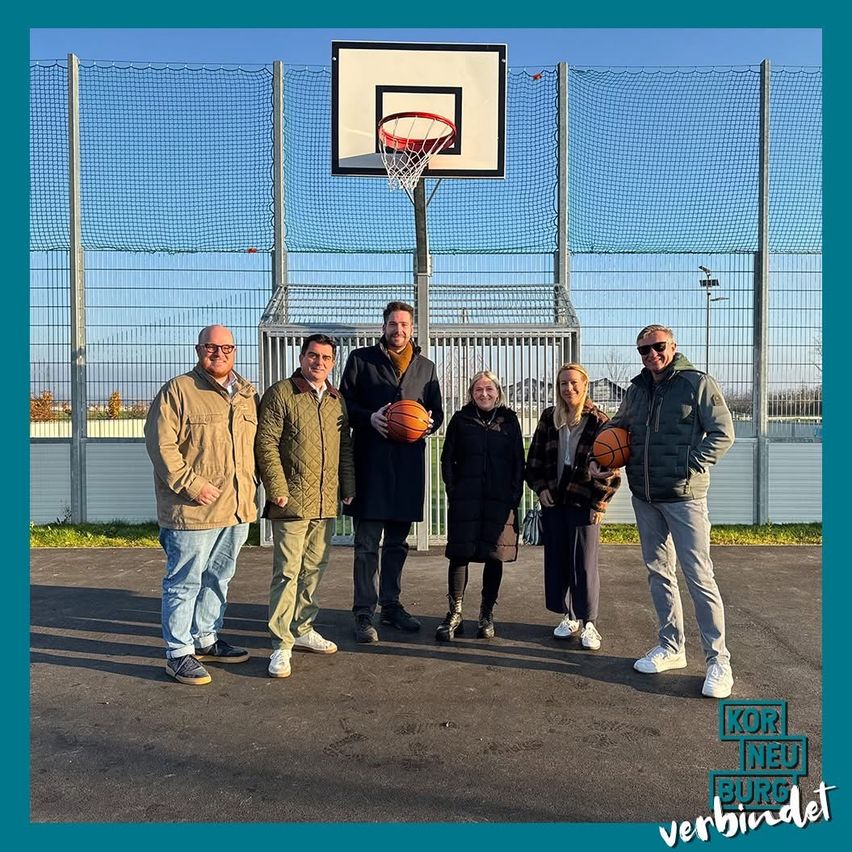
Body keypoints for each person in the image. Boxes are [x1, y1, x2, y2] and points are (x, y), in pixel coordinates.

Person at [594, 324, 735, 698]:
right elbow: (618, 425)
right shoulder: (638, 388)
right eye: (644, 350)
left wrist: (691, 463)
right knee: (659, 572)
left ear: (672, 346)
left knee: (699, 576)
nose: (651, 354)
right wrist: (600, 455)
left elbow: (723, 433)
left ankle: (719, 661)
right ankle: (672, 646)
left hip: (685, 496)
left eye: (657, 347)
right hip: (646, 496)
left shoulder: (696, 383)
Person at [144, 325, 258, 686]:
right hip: (192, 510)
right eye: (211, 347)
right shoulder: (179, 391)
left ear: (235, 351)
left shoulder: (246, 394)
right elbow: (161, 447)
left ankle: (205, 637)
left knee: (219, 576)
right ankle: (178, 652)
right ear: (198, 349)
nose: (219, 353)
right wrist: (192, 486)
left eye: (226, 347)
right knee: (184, 581)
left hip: (236, 509)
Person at [340, 300, 444, 644]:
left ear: (412, 328)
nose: (398, 330)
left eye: (404, 325)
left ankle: (392, 605)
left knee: (398, 543)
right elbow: (344, 405)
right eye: (392, 324)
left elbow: (437, 413)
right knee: (367, 544)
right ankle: (363, 612)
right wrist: (369, 417)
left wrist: (427, 424)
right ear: (383, 327)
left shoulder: (425, 368)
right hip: (371, 463)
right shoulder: (361, 360)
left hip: (407, 466)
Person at [255, 334, 356, 678]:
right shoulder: (282, 393)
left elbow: (344, 446)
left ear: (332, 362)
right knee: (287, 571)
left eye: (326, 358)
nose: (319, 362)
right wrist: (277, 488)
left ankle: (302, 628)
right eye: (313, 356)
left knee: (314, 569)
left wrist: (348, 486)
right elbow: (265, 443)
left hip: (326, 500)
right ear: (301, 357)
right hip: (292, 500)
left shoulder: (335, 399)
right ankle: (280, 645)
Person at [525, 363, 621, 651]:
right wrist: (541, 488)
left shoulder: (599, 421)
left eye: (574, 383)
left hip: (583, 499)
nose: (569, 388)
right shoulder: (548, 418)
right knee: (559, 560)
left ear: (585, 385)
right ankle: (570, 616)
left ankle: (589, 622)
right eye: (563, 383)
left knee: (584, 563)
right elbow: (536, 460)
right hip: (555, 499)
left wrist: (600, 503)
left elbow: (611, 466)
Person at [438, 371, 525, 641]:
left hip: (499, 502)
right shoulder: (461, 420)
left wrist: (512, 497)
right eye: (478, 389)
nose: (484, 394)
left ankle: (486, 614)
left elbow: (518, 462)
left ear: (498, 392)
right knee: (459, 555)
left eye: (489, 389)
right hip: (466, 499)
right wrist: (454, 491)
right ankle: (455, 613)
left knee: (493, 555)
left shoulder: (509, 421)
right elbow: (447, 459)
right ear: (471, 393)